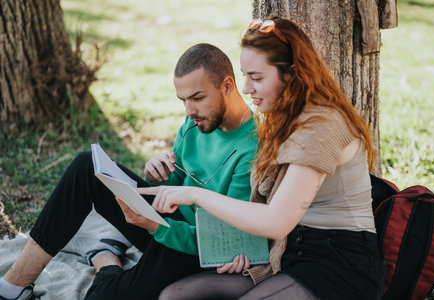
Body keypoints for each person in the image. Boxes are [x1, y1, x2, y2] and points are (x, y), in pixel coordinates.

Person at [144, 16, 386, 299]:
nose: (246, 88)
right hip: (287, 250)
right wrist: (243, 249)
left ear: (292, 73)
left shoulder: (322, 126)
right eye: (245, 75)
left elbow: (276, 220)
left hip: (340, 261)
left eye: (256, 78)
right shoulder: (281, 118)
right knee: (175, 296)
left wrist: (194, 195)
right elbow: (266, 213)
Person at [0, 43, 258, 300]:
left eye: (197, 98)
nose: (189, 111)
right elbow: (178, 181)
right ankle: (13, 287)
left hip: (198, 248)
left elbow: (226, 238)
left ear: (227, 86)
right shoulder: (196, 122)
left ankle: (105, 258)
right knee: (85, 165)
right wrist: (159, 176)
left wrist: (157, 229)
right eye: (183, 100)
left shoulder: (252, 147)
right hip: (168, 222)